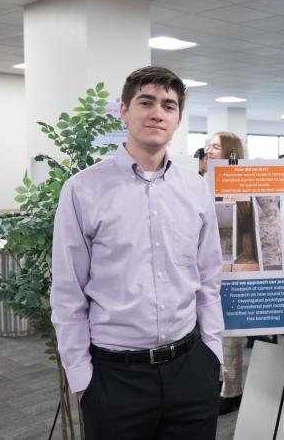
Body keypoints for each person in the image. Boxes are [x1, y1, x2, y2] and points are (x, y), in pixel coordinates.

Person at [50, 66, 223, 440]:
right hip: (115, 379)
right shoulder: (82, 190)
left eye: (169, 105)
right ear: (124, 110)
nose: (157, 112)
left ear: (177, 119)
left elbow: (208, 278)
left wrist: (213, 354)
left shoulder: (195, 188)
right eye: (146, 102)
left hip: (191, 368)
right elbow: (68, 292)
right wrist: (82, 380)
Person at [206, 131, 247, 415]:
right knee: (210, 330)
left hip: (231, 262)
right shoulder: (203, 180)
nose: (209, 150)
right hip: (206, 264)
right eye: (208, 145)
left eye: (216, 146)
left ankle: (232, 389)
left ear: (230, 151)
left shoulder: (238, 181)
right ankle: (219, 380)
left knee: (229, 331)